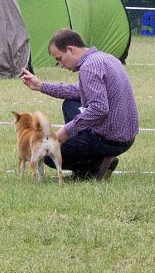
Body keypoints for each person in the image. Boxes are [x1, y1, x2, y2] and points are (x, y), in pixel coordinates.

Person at [19, 29, 139, 181]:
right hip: (125, 136)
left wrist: (66, 131)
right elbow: (78, 91)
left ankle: (92, 169)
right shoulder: (104, 58)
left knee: (49, 154)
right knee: (70, 105)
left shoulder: (88, 67)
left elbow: (99, 108)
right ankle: (98, 161)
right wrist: (41, 86)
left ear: (70, 49)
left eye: (60, 58)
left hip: (112, 140)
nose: (60, 65)